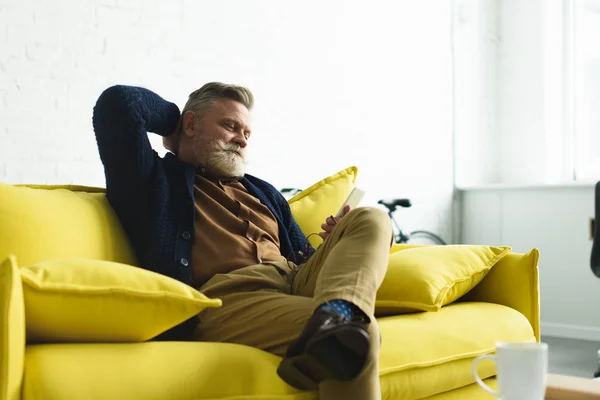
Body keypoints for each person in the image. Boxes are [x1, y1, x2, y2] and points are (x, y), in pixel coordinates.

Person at [92, 83, 393, 400]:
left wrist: (334, 244)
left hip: (291, 280)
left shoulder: (262, 191)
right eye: (229, 126)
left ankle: (338, 313)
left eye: (247, 133)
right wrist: (174, 126)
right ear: (191, 124)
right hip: (229, 299)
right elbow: (120, 104)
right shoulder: (153, 180)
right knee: (359, 337)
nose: (241, 139)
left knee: (371, 218)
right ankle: (338, 327)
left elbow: (304, 259)